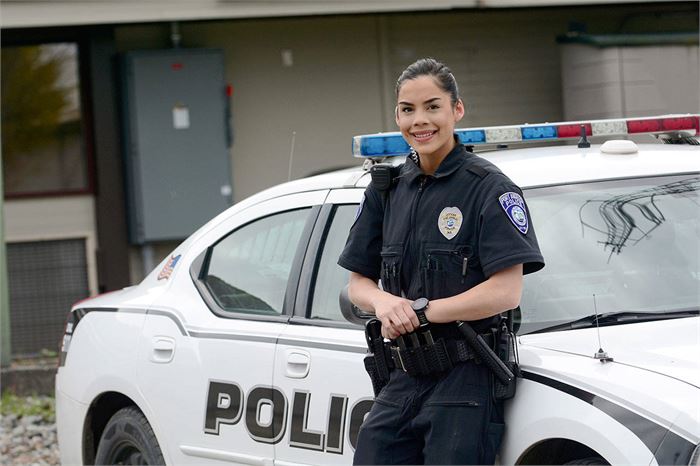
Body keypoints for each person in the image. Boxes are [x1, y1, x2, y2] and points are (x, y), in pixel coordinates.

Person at [337, 58, 545, 465]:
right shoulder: (385, 190)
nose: (420, 120)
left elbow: (506, 291)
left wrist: (421, 313)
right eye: (408, 109)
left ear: (456, 109)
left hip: (465, 381)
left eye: (432, 106)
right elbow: (357, 284)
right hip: (402, 376)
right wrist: (384, 303)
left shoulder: (488, 188)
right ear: (397, 116)